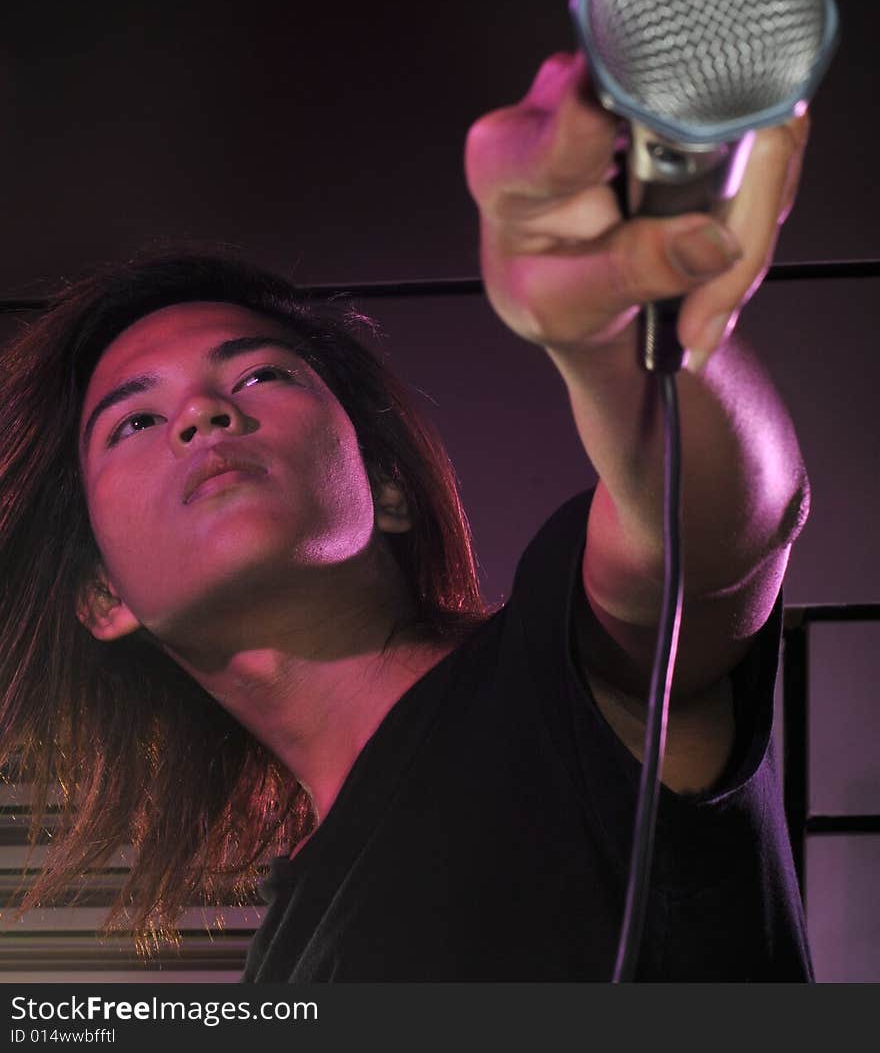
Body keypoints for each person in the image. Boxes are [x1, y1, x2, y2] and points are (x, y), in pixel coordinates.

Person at [0, 52, 813, 981]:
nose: (202, 415)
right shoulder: (284, 962)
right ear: (103, 594)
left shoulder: (558, 676)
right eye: (136, 421)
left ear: (385, 486)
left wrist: (616, 323)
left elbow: (719, 537)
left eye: (261, 373)